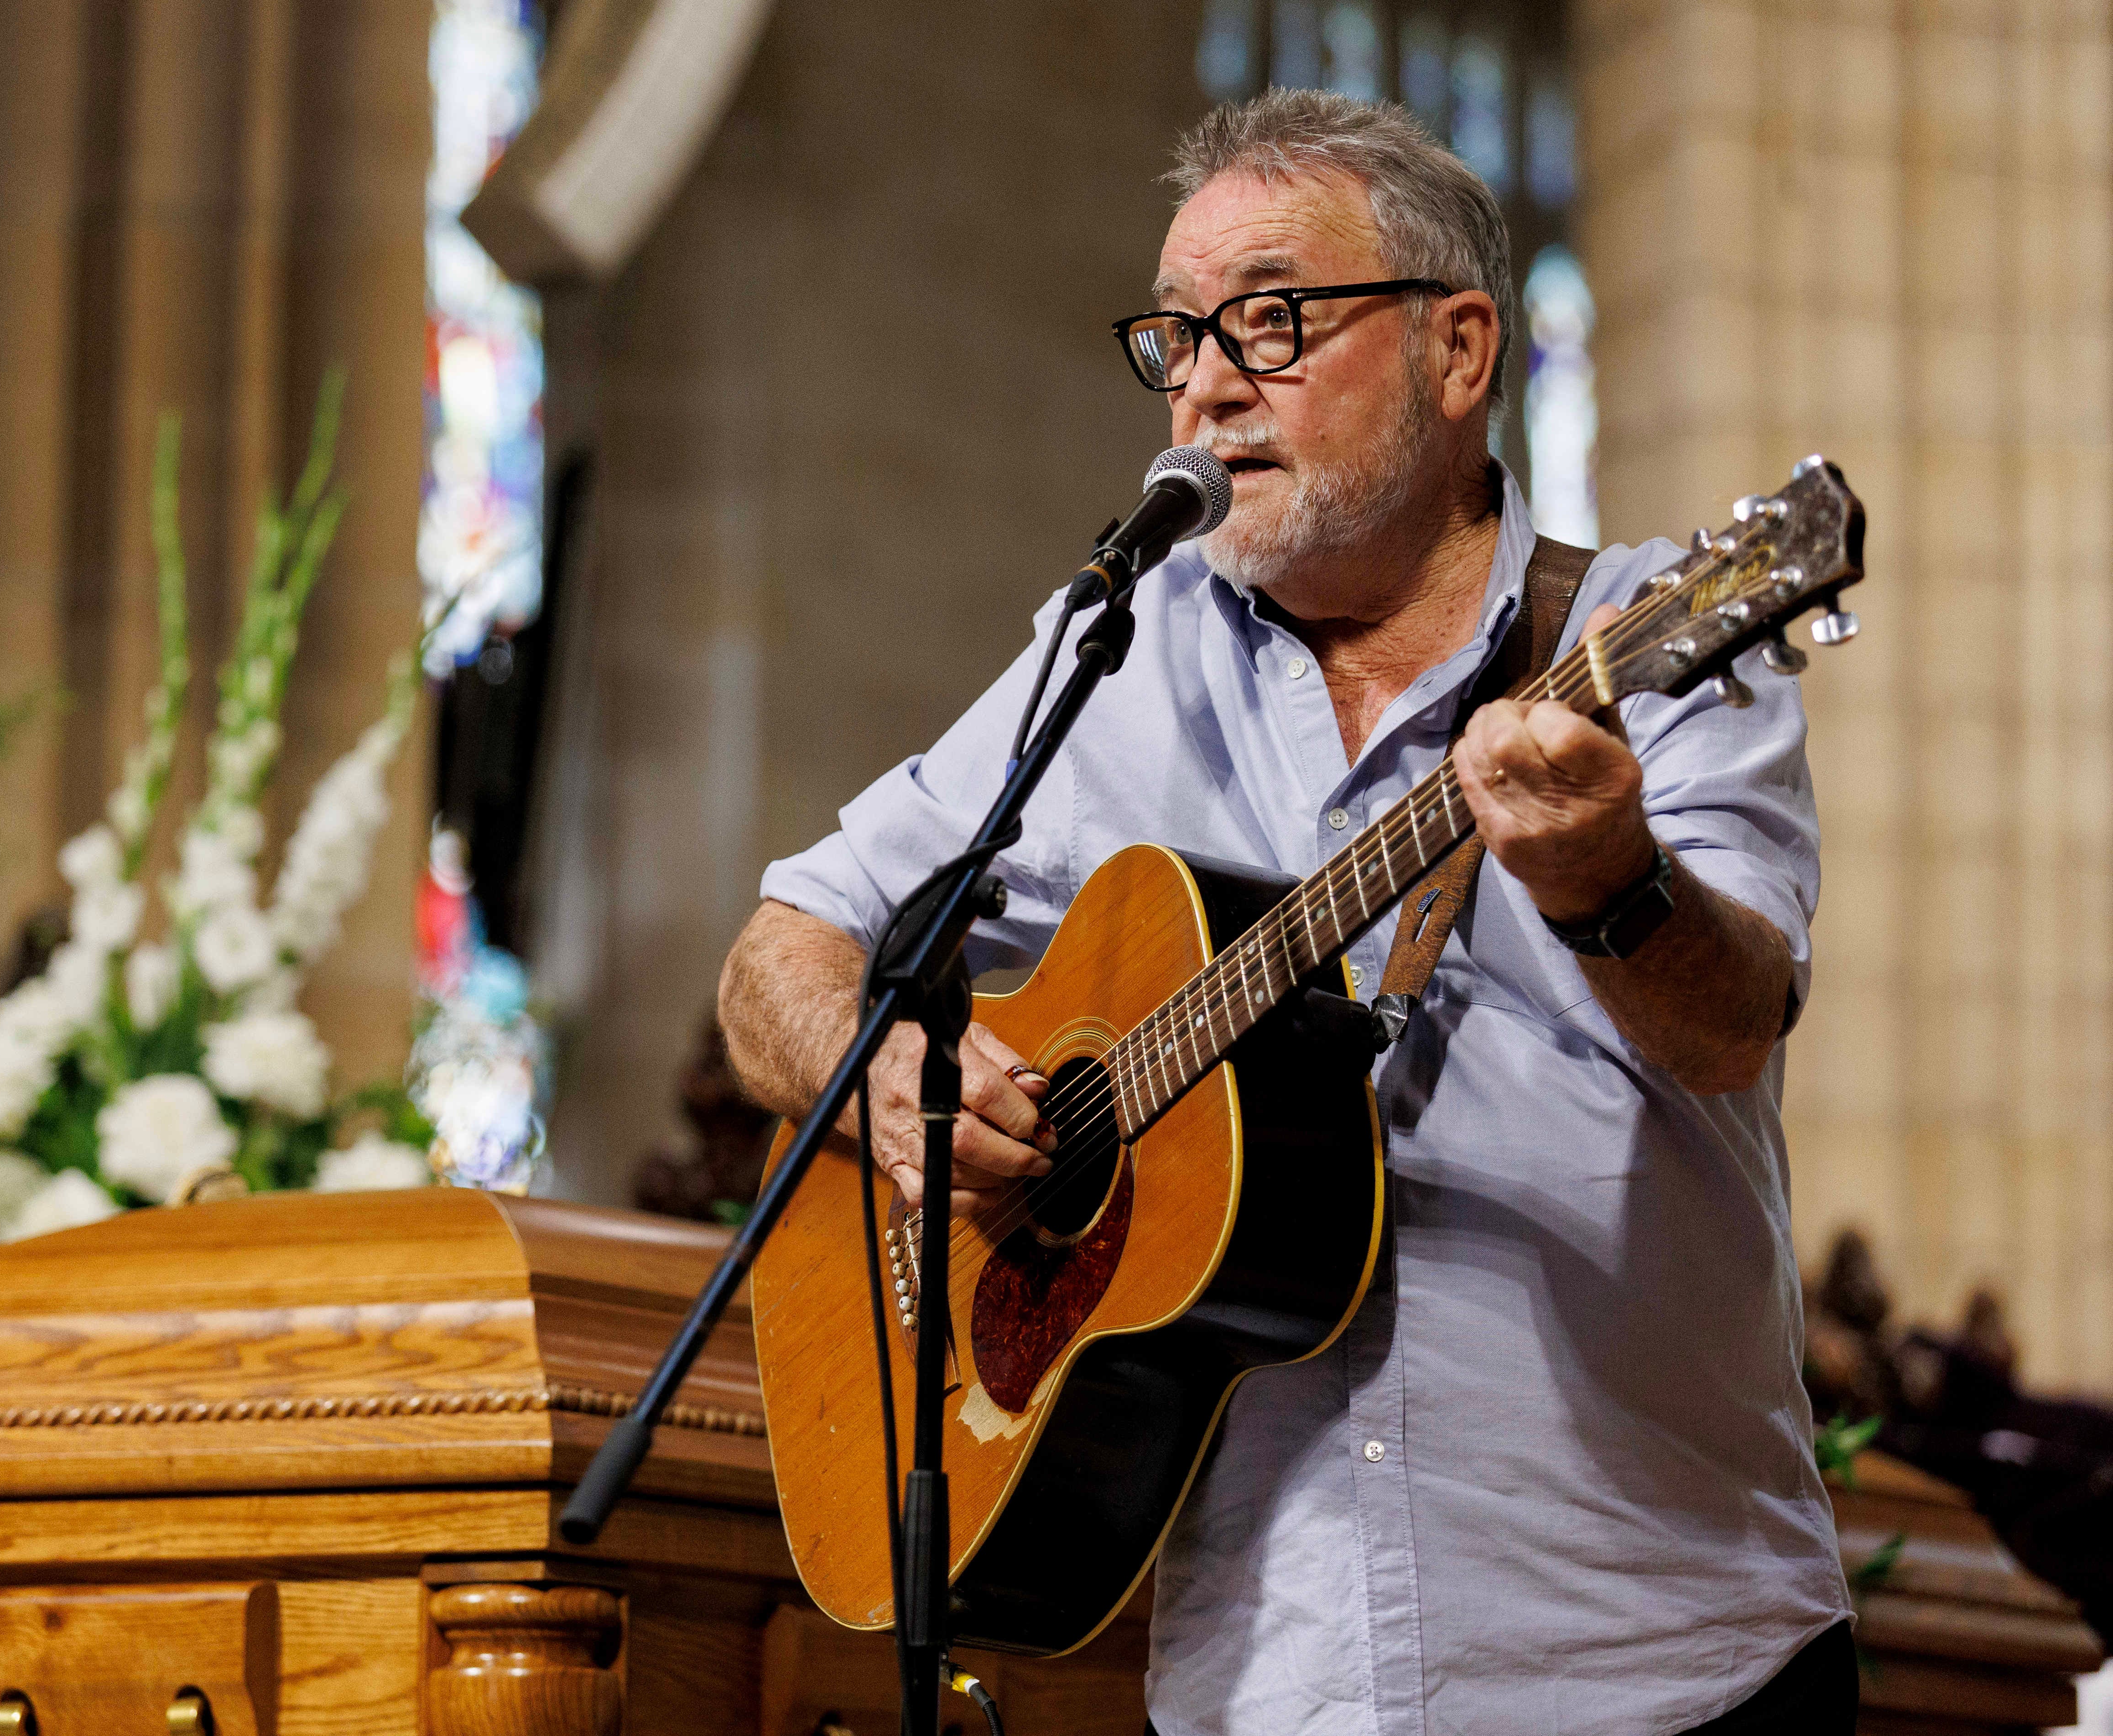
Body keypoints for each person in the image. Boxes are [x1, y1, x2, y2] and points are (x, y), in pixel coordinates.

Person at [716, 90, 1853, 1735]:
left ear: (1460, 352)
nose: (1205, 382)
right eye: (1173, 340)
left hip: (1645, 1653)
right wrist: (885, 1078)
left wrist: (1611, 881)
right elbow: (786, 946)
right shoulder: (1127, 648)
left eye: (1269, 319)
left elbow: (1733, 1025)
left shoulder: (1650, 641)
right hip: (1271, 1679)